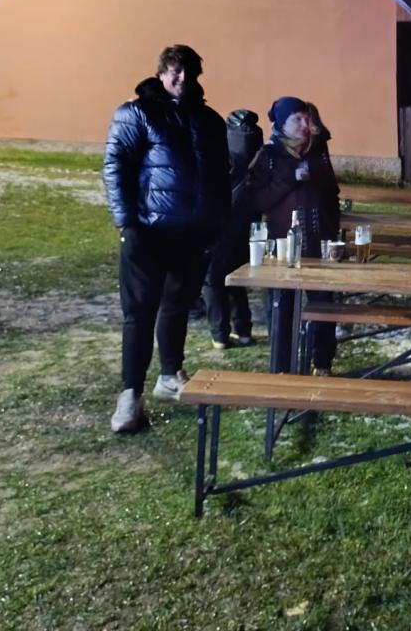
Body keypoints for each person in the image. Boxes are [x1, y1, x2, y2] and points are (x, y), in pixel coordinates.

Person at [103, 45, 229, 433]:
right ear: (161, 73)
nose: (182, 78)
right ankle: (130, 394)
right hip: (148, 231)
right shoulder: (136, 113)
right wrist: (127, 221)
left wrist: (217, 224)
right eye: (175, 71)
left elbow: (220, 175)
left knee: (176, 306)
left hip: (193, 233)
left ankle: (170, 374)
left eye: (189, 71)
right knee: (139, 312)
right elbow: (116, 164)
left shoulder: (210, 120)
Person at [247, 96, 341, 374]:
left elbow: (332, 194)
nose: (304, 124)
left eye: (306, 118)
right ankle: (282, 369)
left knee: (324, 306)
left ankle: (322, 363)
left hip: (319, 241)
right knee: (282, 307)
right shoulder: (268, 156)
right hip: (282, 245)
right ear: (281, 123)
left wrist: (331, 229)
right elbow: (257, 201)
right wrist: (291, 179)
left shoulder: (318, 151)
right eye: (297, 119)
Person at [203, 108, 263, 348]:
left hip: (219, 224)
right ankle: (244, 330)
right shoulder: (259, 152)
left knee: (213, 280)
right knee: (237, 280)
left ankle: (219, 334)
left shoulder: (223, 154)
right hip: (249, 225)